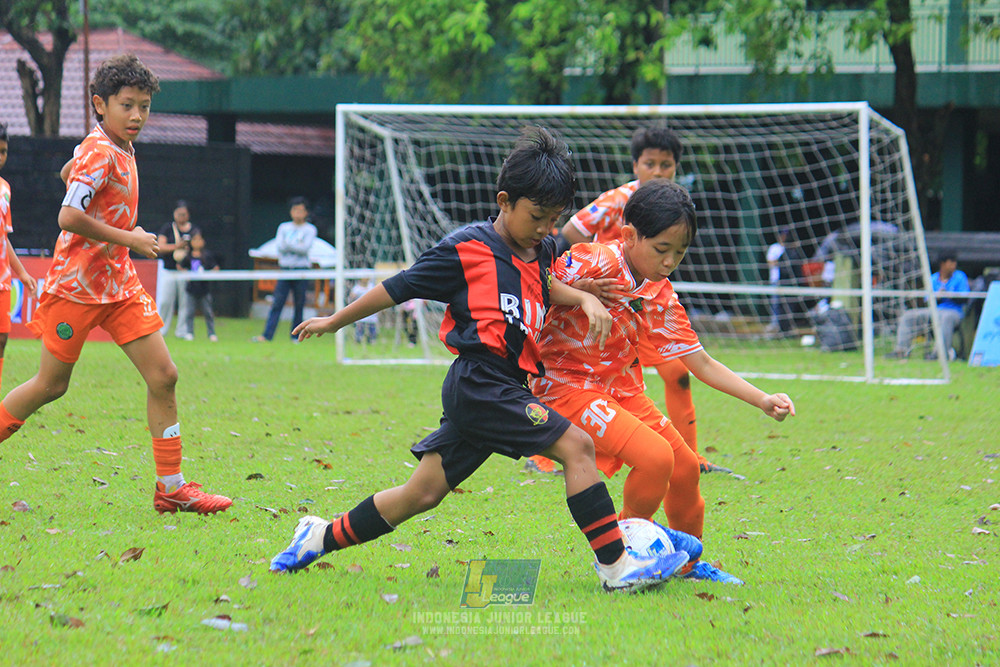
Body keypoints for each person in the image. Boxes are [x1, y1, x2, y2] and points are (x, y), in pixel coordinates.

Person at [269, 127, 689, 593]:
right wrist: (335, 321)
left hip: (503, 387)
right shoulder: (467, 249)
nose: (547, 229)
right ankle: (616, 568)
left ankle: (318, 536)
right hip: (480, 381)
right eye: (537, 217)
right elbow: (399, 287)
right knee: (578, 447)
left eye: (555, 219)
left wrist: (585, 296)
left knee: (421, 493)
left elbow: (543, 284)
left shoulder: (542, 248)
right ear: (505, 201)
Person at [533, 179, 796, 584]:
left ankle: (686, 566)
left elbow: (701, 362)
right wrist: (581, 292)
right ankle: (621, 562)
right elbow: (533, 283)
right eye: (662, 250)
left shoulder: (659, 294)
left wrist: (761, 399)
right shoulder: (593, 260)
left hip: (621, 391)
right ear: (629, 236)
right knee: (656, 459)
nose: (670, 260)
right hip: (566, 387)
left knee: (686, 468)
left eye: (680, 252)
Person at [0, 54, 231, 515]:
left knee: (164, 376)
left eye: (144, 106)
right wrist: (130, 237)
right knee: (51, 385)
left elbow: (72, 178)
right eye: (127, 105)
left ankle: (171, 488)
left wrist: (84, 184)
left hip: (119, 285)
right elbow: (68, 214)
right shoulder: (100, 150)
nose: (138, 115)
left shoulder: (114, 146)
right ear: (99, 105)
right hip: (77, 288)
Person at [533, 127, 733, 475]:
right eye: (650, 164)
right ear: (635, 165)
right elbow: (571, 232)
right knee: (591, 383)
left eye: (666, 165)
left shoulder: (677, 207)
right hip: (603, 308)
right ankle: (547, 455)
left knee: (678, 373)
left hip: (644, 303)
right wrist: (583, 284)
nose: (657, 172)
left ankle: (690, 457)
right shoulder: (615, 203)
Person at [0, 122, 39, 393]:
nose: (0, 157)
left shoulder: (5, 188)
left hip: (2, 279)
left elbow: (4, 237)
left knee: (2, 338)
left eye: (2, 151)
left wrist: (22, 273)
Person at [252, 197, 317, 342]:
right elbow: (280, 246)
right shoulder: (284, 227)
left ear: (306, 212)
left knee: (299, 304)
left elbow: (304, 249)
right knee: (277, 303)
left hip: (301, 271)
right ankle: (267, 335)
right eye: (295, 209)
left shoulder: (310, 229)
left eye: (301, 210)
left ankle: (296, 336)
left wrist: (290, 245)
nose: (297, 213)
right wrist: (295, 246)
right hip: (285, 270)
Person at [887, 250, 970, 360]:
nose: (953, 265)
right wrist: (937, 297)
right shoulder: (933, 278)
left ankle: (939, 354)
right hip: (935, 311)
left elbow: (965, 299)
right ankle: (901, 350)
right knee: (908, 316)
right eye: (951, 262)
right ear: (943, 264)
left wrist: (949, 295)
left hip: (953, 312)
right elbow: (927, 301)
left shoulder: (960, 277)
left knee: (946, 318)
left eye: (955, 263)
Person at [155, 200, 202, 339]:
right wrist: (177, 246)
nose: (181, 217)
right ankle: (161, 331)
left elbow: (199, 246)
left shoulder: (194, 230)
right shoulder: (167, 228)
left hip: (185, 272)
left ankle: (182, 331)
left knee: (185, 302)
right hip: (168, 270)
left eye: (184, 214)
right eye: (179, 214)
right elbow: (160, 247)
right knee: (165, 301)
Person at [177, 234, 219, 342]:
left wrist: (208, 274)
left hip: (204, 289)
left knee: (208, 312)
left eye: (199, 240)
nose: (197, 242)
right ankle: (189, 332)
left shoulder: (207, 255)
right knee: (190, 312)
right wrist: (186, 274)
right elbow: (180, 266)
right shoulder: (188, 256)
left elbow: (215, 267)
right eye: (194, 240)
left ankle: (211, 333)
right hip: (191, 289)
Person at [349, 279, 378, 344]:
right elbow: (351, 297)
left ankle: (371, 340)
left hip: (371, 311)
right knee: (360, 327)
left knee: (371, 327)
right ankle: (358, 339)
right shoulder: (357, 288)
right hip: (360, 311)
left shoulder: (371, 286)